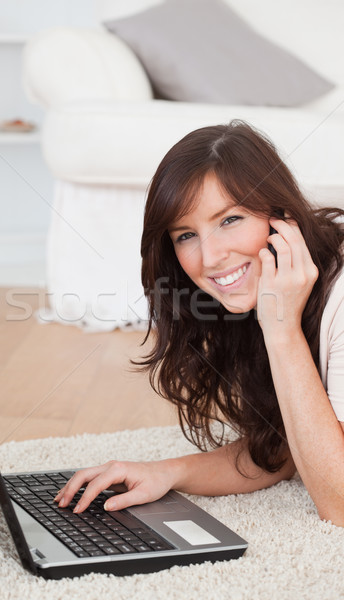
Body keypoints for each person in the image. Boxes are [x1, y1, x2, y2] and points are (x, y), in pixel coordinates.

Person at [55, 120, 344, 526]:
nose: (210, 258)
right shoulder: (266, 290)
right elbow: (282, 449)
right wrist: (167, 472)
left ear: (280, 217)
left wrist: (282, 331)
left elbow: (339, 503)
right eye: (186, 235)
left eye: (230, 220)